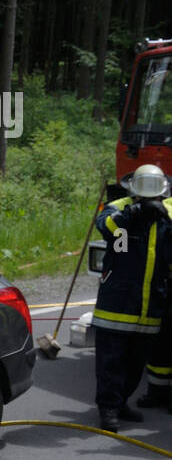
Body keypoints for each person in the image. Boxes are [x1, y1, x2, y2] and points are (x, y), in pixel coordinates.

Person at [92, 163, 172, 431]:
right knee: (111, 361)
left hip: (150, 305)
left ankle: (122, 402)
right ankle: (108, 409)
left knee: (136, 364)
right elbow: (110, 230)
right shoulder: (118, 207)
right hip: (118, 303)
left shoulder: (167, 214)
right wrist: (136, 213)